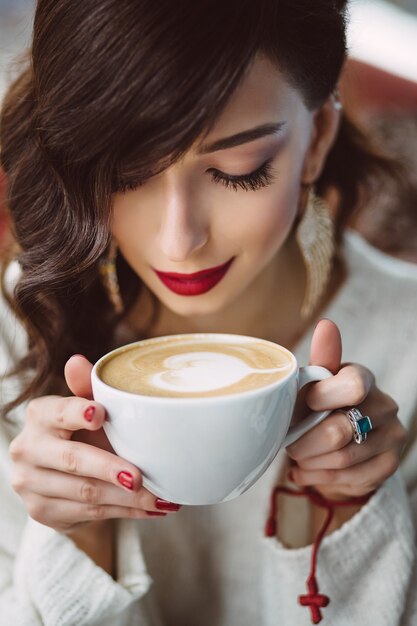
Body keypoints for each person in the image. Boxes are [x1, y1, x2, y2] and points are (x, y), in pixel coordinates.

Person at [0, 1, 416, 624]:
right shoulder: (21, 321)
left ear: (317, 141)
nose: (178, 240)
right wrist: (78, 536)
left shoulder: (408, 337)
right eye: (126, 172)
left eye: (237, 172)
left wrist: (344, 514)